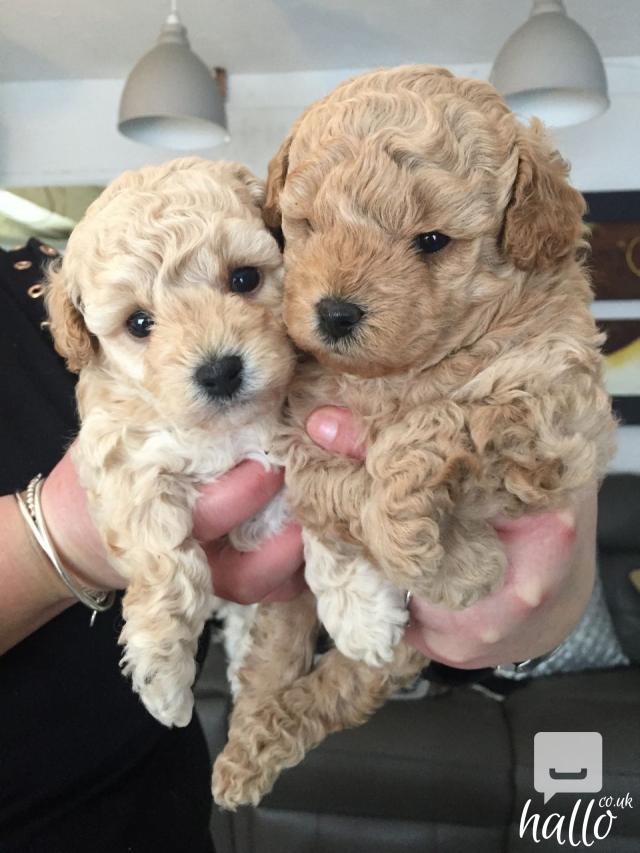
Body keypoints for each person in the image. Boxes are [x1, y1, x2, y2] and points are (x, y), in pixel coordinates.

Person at [0, 239, 596, 852]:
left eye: (242, 281)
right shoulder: (82, 303)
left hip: (163, 815)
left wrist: (557, 502)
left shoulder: (58, 262)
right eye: (142, 325)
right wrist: (55, 541)